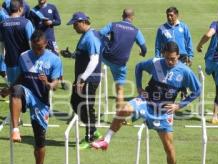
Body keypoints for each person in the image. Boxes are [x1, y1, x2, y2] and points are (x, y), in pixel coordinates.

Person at [92, 41, 201, 164]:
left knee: (169, 148)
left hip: (164, 112)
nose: (170, 62)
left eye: (174, 59)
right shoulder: (155, 63)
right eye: (168, 58)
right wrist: (138, 87)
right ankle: (106, 140)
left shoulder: (184, 71)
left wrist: (179, 105)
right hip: (146, 101)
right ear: (163, 55)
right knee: (124, 109)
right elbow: (139, 67)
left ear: (178, 57)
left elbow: (197, 90)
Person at [0, 30, 62, 164]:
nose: (36, 50)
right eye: (34, 47)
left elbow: (56, 84)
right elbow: (21, 77)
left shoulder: (54, 59)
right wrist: (9, 89)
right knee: (18, 89)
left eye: (39, 47)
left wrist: (48, 83)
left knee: (40, 141)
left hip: (42, 102)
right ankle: (15, 130)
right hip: (27, 94)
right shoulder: (24, 56)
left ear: (45, 44)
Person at [61, 12, 102, 149]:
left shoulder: (91, 37)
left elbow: (94, 59)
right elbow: (83, 56)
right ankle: (93, 129)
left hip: (88, 79)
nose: (73, 27)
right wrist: (71, 55)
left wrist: (83, 78)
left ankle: (90, 138)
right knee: (75, 102)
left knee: (86, 106)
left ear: (82, 22)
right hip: (82, 79)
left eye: (75, 24)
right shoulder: (86, 35)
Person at [99, 8, 147, 111]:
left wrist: (107, 40)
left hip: (106, 57)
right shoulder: (136, 30)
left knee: (102, 39)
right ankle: (119, 116)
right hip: (120, 63)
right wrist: (142, 53)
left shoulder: (113, 25)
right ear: (132, 17)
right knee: (120, 89)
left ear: (122, 15)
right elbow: (144, 48)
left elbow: (99, 34)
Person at [30, 0, 67, 90]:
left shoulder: (52, 7)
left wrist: (51, 22)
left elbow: (58, 21)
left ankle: (61, 81)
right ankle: (36, 80)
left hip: (50, 39)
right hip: (39, 40)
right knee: (37, 58)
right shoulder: (33, 11)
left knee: (57, 58)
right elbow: (31, 25)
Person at [0, 0, 34, 85]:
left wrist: (4, 57)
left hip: (10, 61)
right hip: (26, 62)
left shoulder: (2, 24)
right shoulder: (26, 23)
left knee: (13, 89)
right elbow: (32, 43)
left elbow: (1, 44)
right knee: (26, 89)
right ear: (20, 9)